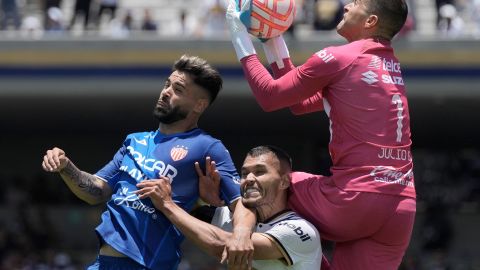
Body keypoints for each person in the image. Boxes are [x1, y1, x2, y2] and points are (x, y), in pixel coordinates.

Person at [225, 0, 416, 269]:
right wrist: (272, 40)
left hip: (355, 200)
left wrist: (239, 36)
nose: (347, 5)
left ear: (370, 21)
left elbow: (270, 97)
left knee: (270, 180)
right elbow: (299, 102)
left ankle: (216, 213)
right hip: (401, 208)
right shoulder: (389, 65)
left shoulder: (340, 58)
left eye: (357, 3)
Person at [41, 55, 241, 270]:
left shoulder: (208, 147)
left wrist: (242, 236)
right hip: (103, 263)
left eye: (178, 90)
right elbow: (97, 191)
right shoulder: (134, 141)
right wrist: (65, 167)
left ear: (199, 105)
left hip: (148, 265)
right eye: (167, 84)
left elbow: (239, 202)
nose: (166, 92)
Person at [135, 145, 322, 269]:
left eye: (260, 172)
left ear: (283, 182)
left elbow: (226, 246)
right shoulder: (230, 215)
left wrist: (168, 204)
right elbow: (188, 215)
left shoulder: (300, 231)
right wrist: (205, 200)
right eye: (244, 173)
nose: (248, 179)